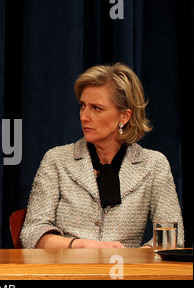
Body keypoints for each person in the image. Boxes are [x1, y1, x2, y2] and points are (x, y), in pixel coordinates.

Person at [20, 63, 184, 249]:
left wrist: (134, 261)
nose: (84, 116)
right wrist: (81, 246)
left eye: (96, 108)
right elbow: (32, 233)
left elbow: (172, 238)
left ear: (124, 116)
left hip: (127, 274)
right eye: (83, 106)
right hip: (68, 273)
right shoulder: (56, 160)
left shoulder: (154, 165)